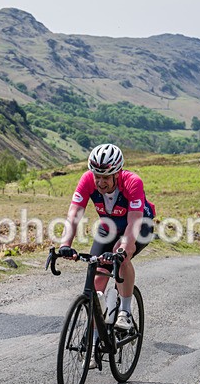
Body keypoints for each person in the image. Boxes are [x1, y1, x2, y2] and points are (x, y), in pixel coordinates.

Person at [59, 143, 156, 335]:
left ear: (117, 174)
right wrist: (65, 244)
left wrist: (123, 249)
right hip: (108, 227)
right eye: (97, 176)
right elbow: (74, 213)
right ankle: (96, 338)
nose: (100, 182)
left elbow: (134, 222)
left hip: (138, 225)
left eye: (105, 177)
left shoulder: (132, 182)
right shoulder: (87, 180)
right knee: (97, 277)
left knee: (121, 257)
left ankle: (125, 312)